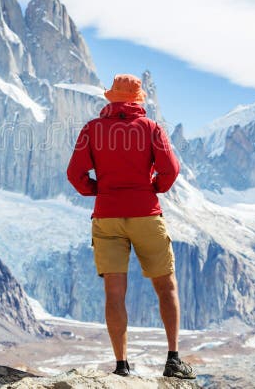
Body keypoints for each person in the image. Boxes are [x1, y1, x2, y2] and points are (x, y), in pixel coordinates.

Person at [66, 74, 195, 380]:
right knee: (166, 285)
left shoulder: (93, 129)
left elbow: (74, 173)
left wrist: (98, 191)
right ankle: (173, 359)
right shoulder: (151, 129)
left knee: (114, 292)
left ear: (110, 98)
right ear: (138, 100)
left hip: (107, 216)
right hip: (146, 214)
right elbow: (171, 170)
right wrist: (153, 187)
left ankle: (121, 366)